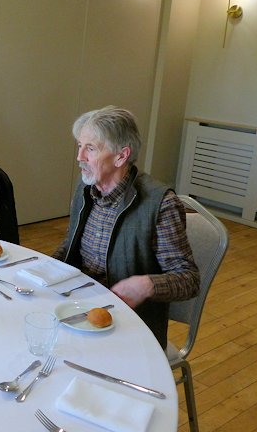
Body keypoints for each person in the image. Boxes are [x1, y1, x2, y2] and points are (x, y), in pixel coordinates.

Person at [52, 106, 199, 348]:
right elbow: (71, 244)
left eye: (90, 148)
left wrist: (147, 285)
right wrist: (45, 269)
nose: (79, 157)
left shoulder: (159, 203)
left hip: (130, 327)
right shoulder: (87, 187)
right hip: (79, 309)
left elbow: (189, 280)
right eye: (79, 146)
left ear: (121, 156)